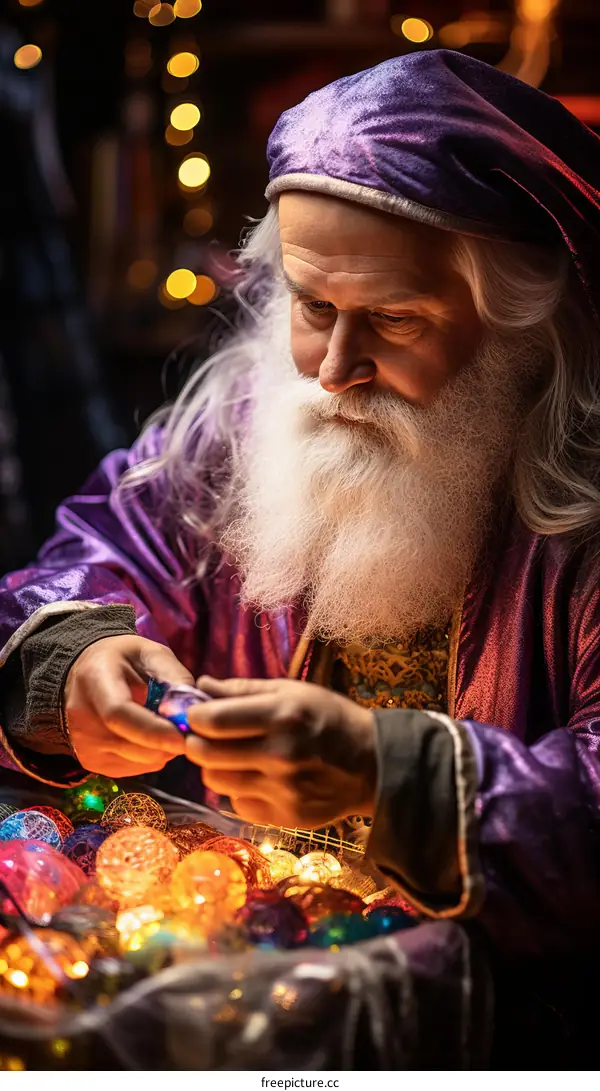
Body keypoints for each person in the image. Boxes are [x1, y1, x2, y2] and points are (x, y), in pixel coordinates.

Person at [1, 48, 600, 976]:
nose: (331, 369)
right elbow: (104, 548)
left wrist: (389, 773)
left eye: (397, 319)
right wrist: (71, 659)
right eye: (313, 305)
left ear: (522, 327)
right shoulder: (243, 429)